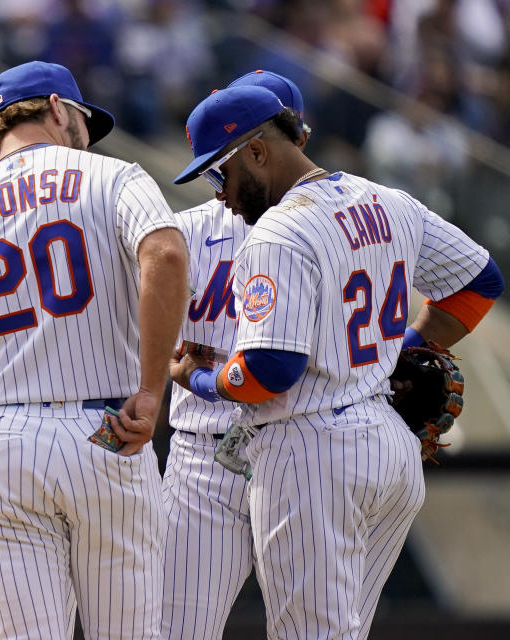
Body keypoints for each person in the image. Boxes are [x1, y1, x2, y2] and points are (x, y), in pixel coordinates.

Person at [170, 85, 504, 639]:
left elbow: (268, 371)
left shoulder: (278, 230)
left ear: (256, 152)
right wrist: (410, 350)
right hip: (389, 448)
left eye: (218, 174)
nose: (221, 195)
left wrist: (198, 379)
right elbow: (478, 284)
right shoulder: (387, 200)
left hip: (310, 451)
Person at [0, 60, 189, 640]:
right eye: (80, 118)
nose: (85, 133)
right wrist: (152, 390)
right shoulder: (113, 177)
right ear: (55, 108)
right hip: (107, 429)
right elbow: (167, 255)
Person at [162, 70, 309, 640]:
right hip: (204, 457)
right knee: (171, 627)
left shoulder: (336, 223)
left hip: (304, 447)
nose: (219, 185)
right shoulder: (182, 233)